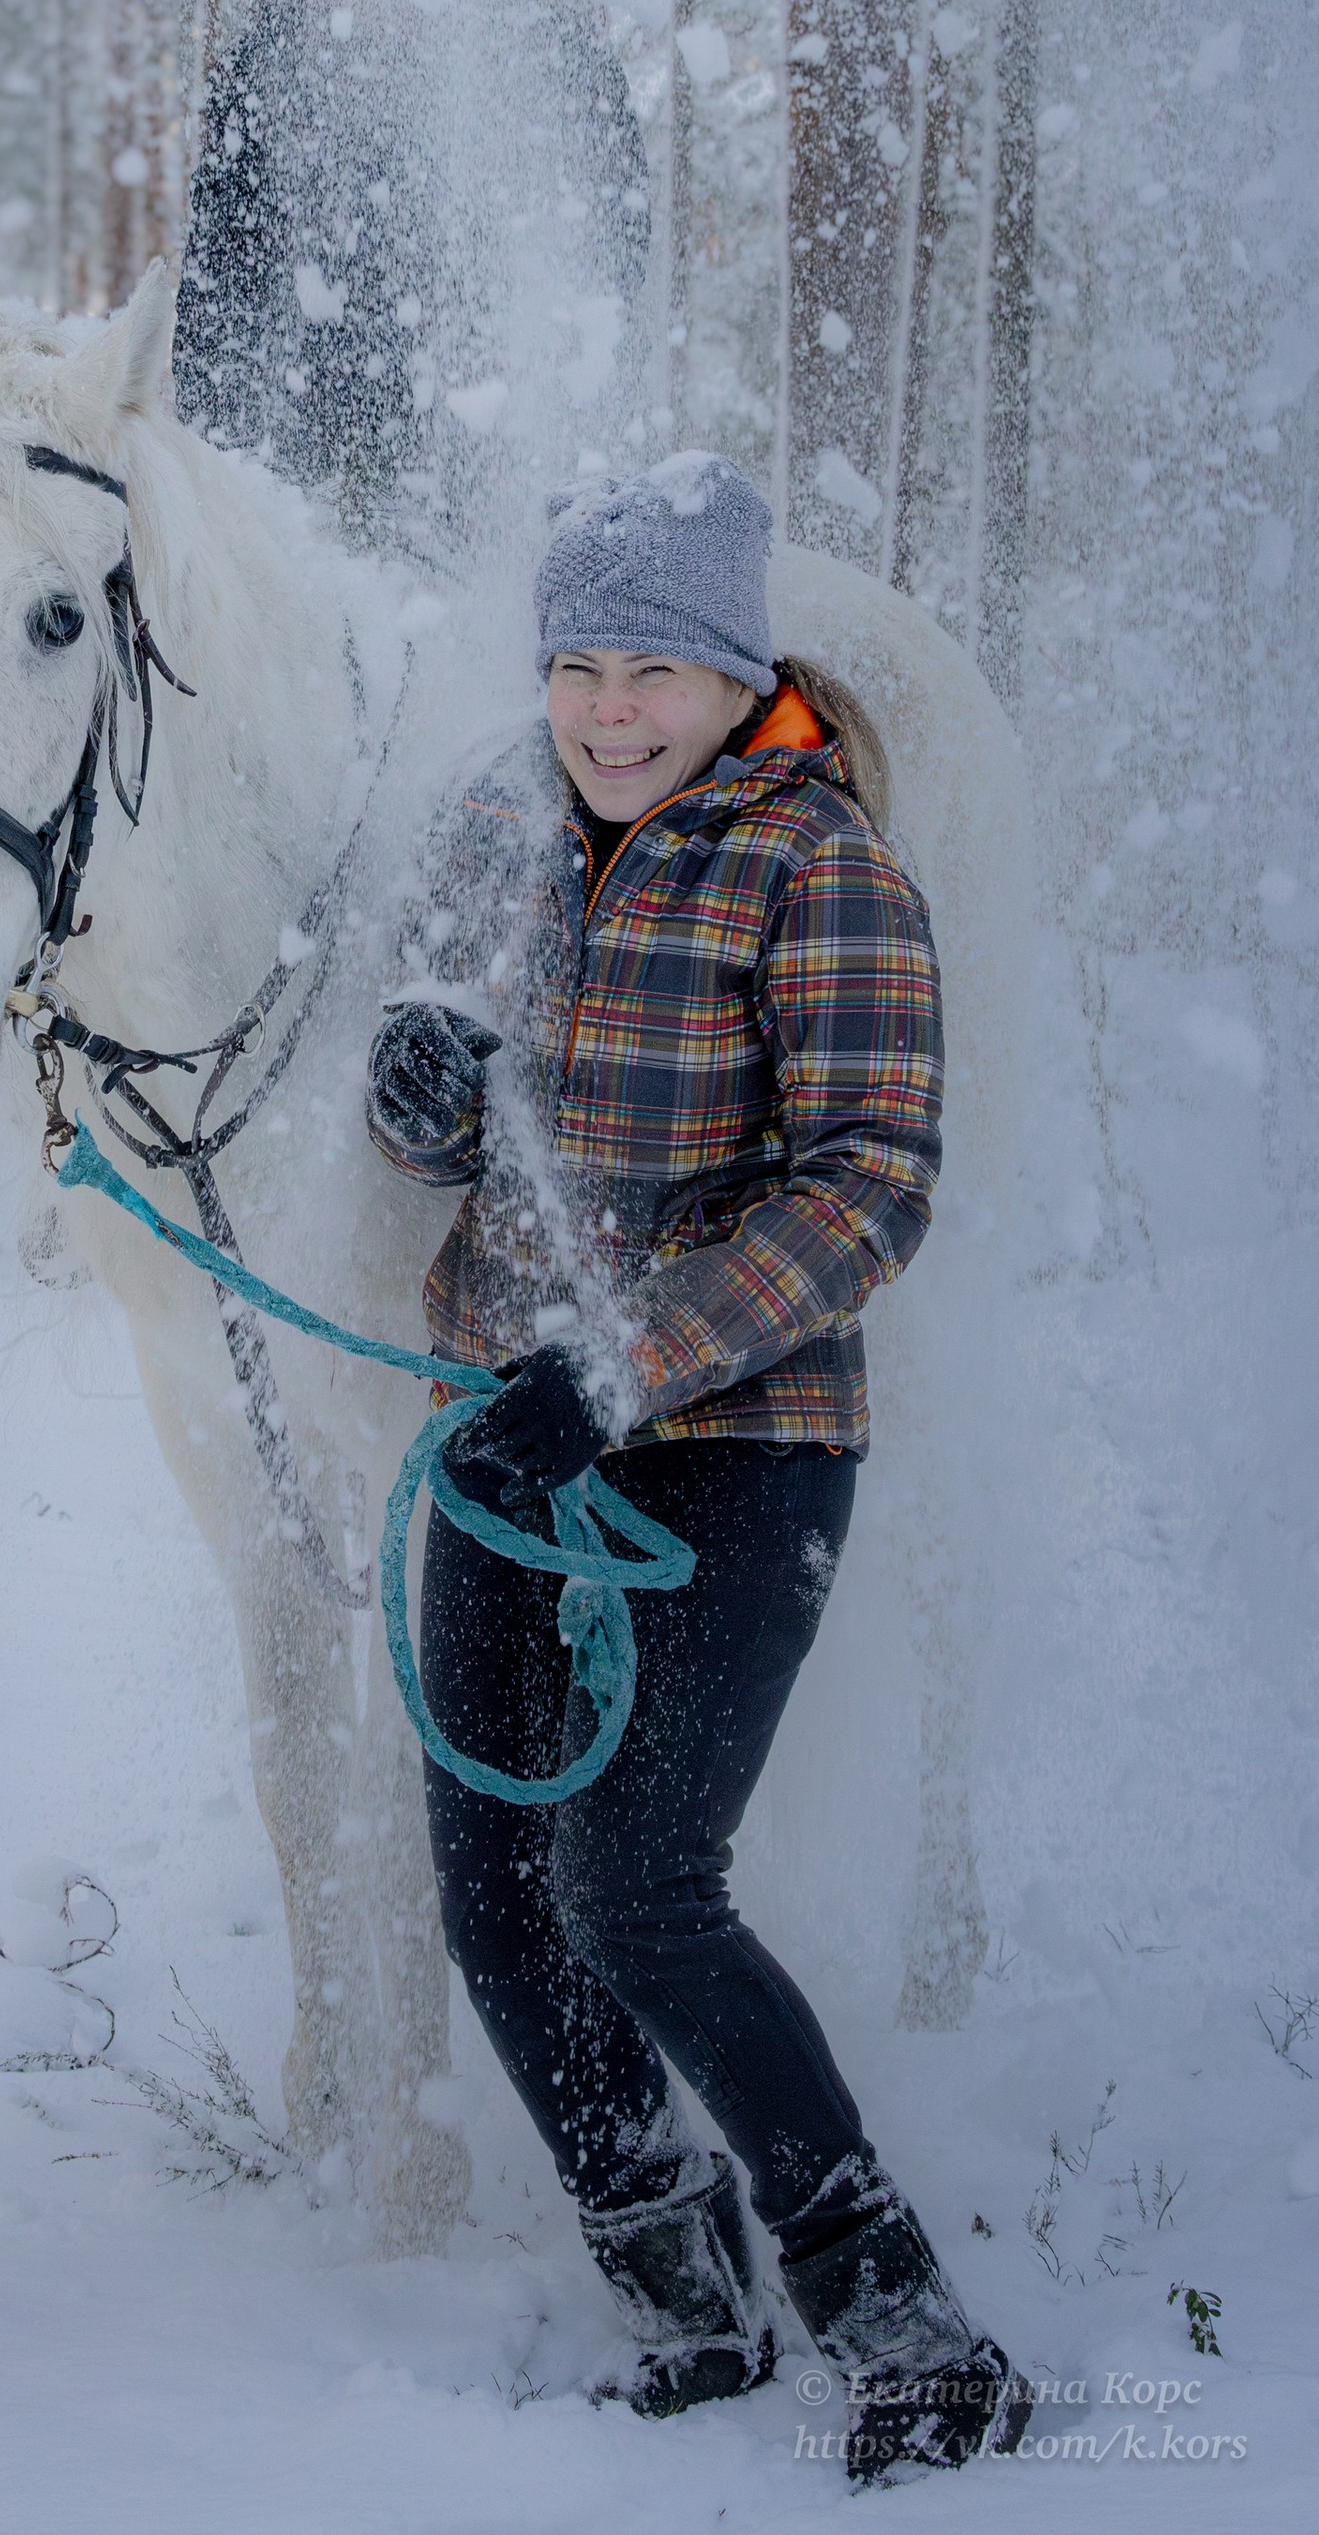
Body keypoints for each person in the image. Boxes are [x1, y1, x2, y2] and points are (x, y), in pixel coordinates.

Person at [365, 454, 1030, 2488]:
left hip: (738, 1450)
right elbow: (442, 1060)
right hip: (500, 1434)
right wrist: (411, 1080)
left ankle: (901, 2320)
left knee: (635, 1887)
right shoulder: (500, 814)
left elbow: (868, 1192)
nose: (605, 709)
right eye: (574, 661)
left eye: (650, 666)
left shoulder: (815, 866)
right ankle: (676, 2293)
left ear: (737, 675)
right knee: (489, 1895)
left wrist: (623, 1362)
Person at [173, 0, 646, 558]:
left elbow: (607, 271)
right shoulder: (275, 56)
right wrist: (219, 479)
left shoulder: (557, 63)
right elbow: (221, 287)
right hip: (305, 473)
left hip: (495, 477)